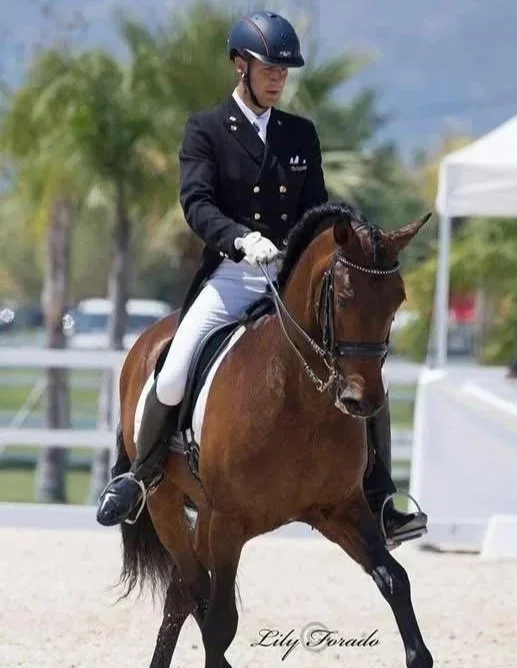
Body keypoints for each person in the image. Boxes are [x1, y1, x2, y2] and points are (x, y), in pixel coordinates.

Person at [96, 10, 425, 544]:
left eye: (283, 71)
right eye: (268, 68)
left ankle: (382, 496)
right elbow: (196, 202)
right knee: (175, 367)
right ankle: (140, 474)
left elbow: (317, 208)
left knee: (360, 373)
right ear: (240, 65)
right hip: (231, 276)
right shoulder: (205, 129)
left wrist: (353, 235)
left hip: (292, 282)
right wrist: (238, 240)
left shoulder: (300, 134)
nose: (277, 79)